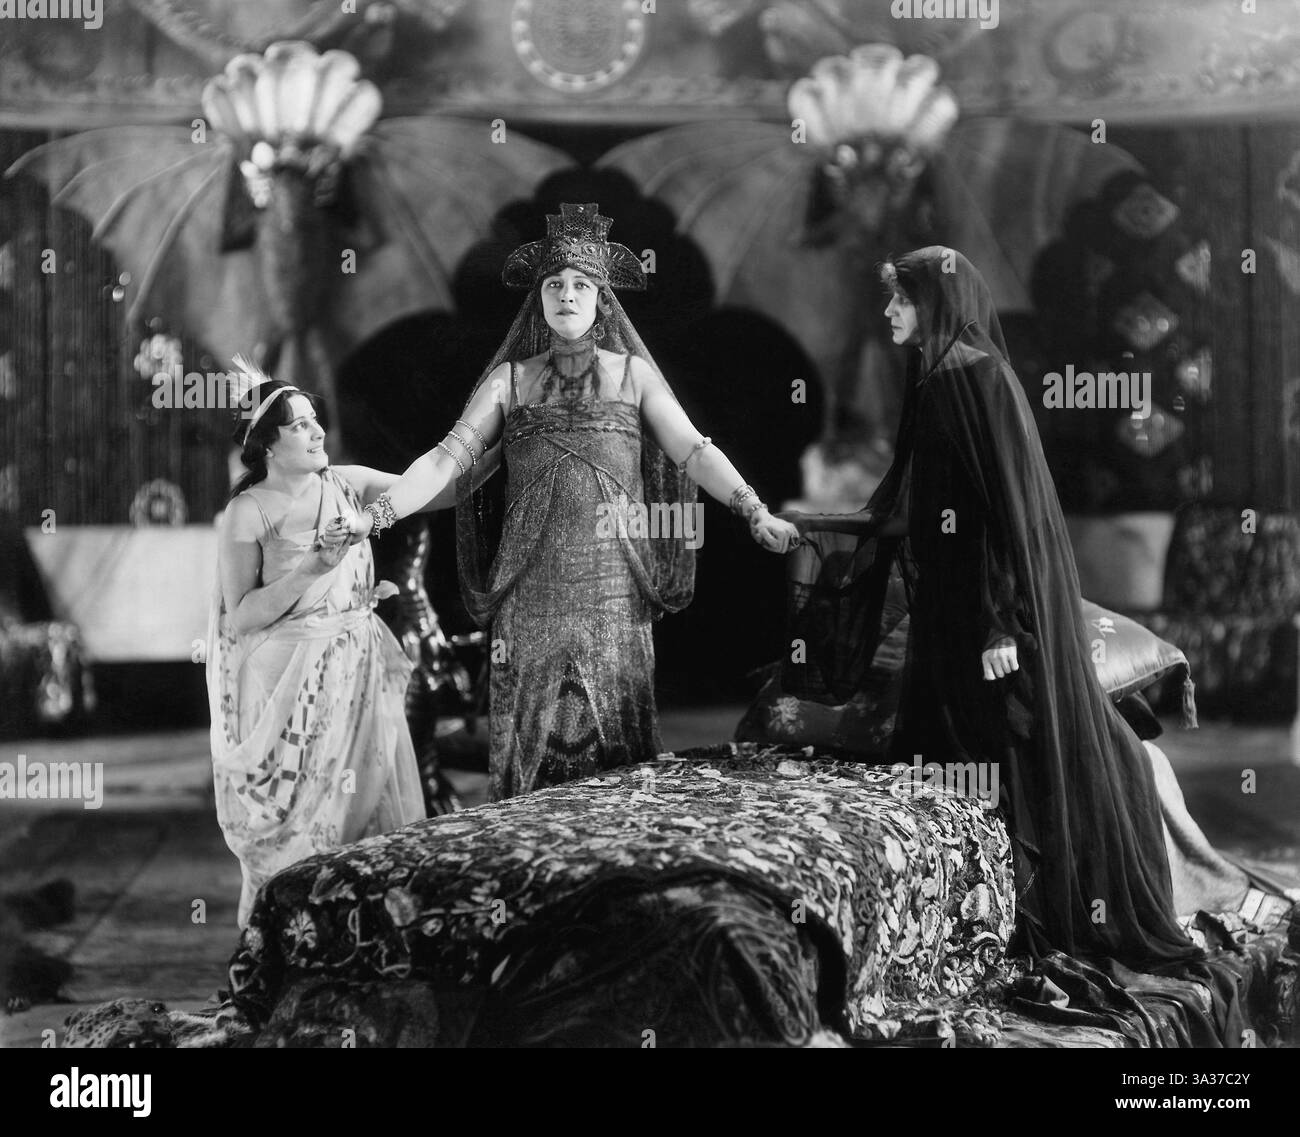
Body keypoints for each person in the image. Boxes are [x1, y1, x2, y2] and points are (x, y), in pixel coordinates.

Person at [782, 246, 1208, 966]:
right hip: (951, 607)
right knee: (946, 758)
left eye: (901, 300)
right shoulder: (938, 377)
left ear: (937, 305)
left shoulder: (975, 380)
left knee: (1009, 753)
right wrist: (813, 528)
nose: (889, 312)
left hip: (985, 612)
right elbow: (909, 506)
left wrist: (1003, 622)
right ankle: (963, 909)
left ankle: (1029, 915)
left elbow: (1011, 512)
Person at [349, 203, 799, 800]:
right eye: (554, 285)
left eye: (581, 284)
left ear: (601, 299)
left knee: (618, 752)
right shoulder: (507, 382)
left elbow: (693, 450)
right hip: (531, 594)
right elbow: (443, 462)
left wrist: (753, 508)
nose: (566, 294)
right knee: (530, 750)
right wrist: (375, 517)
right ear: (538, 298)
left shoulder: (634, 375)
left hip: (614, 592)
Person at [209, 362, 431, 927]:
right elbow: (243, 614)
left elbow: (431, 490)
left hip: (355, 668)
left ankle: (366, 945)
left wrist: (481, 444)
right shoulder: (248, 511)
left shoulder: (346, 484)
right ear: (268, 445)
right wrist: (314, 568)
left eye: (315, 422)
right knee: (299, 825)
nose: (317, 433)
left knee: (367, 809)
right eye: (301, 426)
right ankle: (290, 950)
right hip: (287, 685)